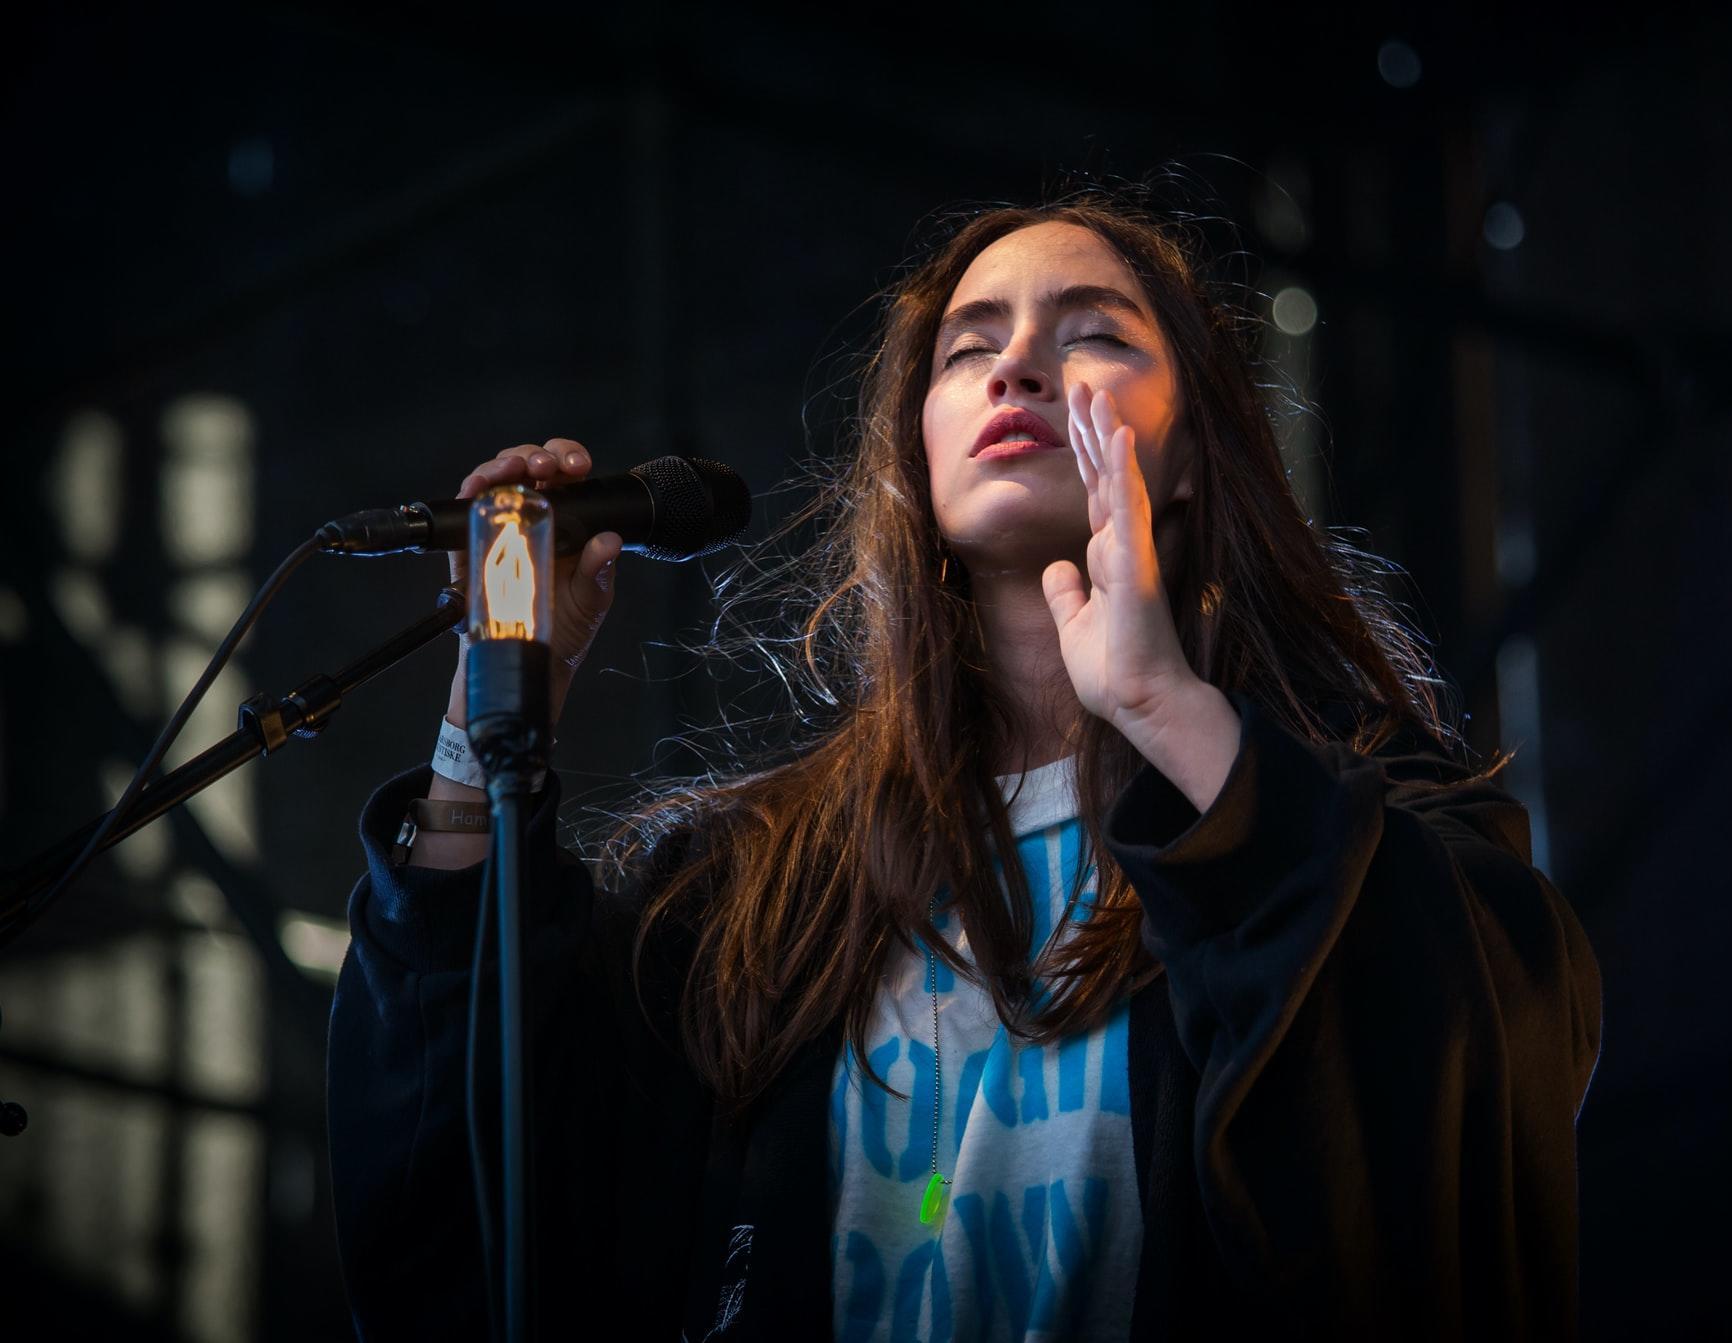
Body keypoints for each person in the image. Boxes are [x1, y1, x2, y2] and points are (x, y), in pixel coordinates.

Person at [326, 188, 1604, 1341]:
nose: (1019, 369)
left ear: (1201, 448)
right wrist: (484, 726)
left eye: (1093, 331)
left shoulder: (1367, 833)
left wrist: (1166, 705)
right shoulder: (757, 889)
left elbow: (1437, 1147)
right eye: (969, 347)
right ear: (915, 451)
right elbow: (469, 1200)